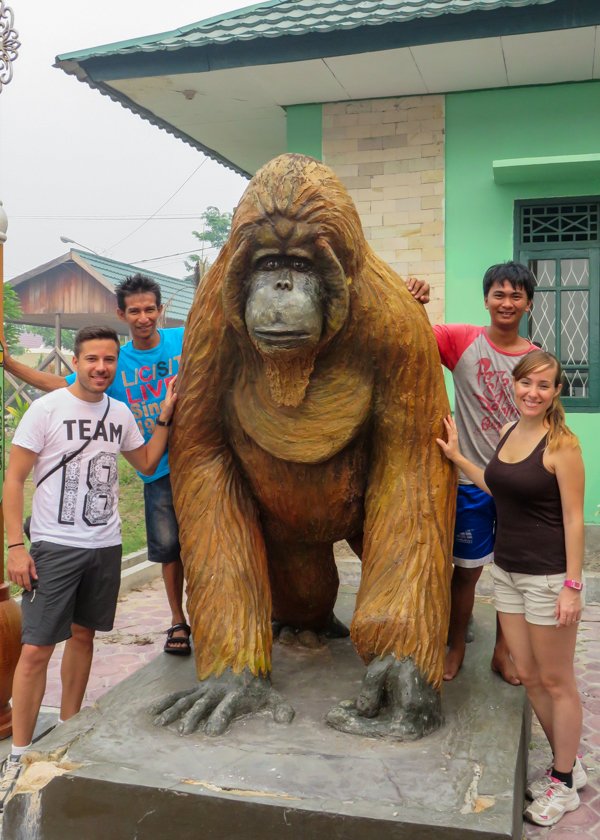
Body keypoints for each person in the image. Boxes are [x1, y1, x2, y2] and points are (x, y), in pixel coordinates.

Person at [0, 325, 177, 812]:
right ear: (74, 362)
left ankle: (71, 731)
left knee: (83, 637)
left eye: (108, 360)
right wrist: (17, 546)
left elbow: (144, 462)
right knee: (35, 649)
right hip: (55, 546)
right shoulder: (47, 409)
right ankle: (18, 753)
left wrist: (163, 418)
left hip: (105, 544)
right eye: (92, 359)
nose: (101, 368)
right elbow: (14, 480)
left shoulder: (118, 413)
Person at [2, 274, 191, 656]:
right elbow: (59, 385)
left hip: (202, 459)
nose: (143, 317)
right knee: (169, 547)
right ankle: (177, 619)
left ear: (161, 310)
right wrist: (7, 362)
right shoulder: (114, 362)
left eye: (150, 309)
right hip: (158, 467)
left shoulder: (184, 339)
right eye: (134, 311)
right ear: (121, 314)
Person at [437, 349, 586, 827]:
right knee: (526, 671)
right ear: (515, 385)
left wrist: (572, 585)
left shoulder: (562, 445)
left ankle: (562, 783)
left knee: (557, 680)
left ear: (556, 392)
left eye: (544, 385)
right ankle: (571, 766)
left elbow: (573, 518)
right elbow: (498, 486)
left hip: (547, 577)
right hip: (506, 572)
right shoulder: (507, 432)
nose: (533, 392)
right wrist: (458, 455)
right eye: (527, 383)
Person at [432, 261, 537, 683]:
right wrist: (412, 298)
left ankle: (501, 652)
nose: (507, 302)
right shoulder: (460, 341)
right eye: (499, 294)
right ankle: (455, 645)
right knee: (467, 573)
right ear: (486, 299)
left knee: (512, 578)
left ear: (528, 304)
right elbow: (408, 334)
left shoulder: (536, 360)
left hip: (519, 489)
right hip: (469, 483)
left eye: (516, 295)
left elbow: (546, 424)